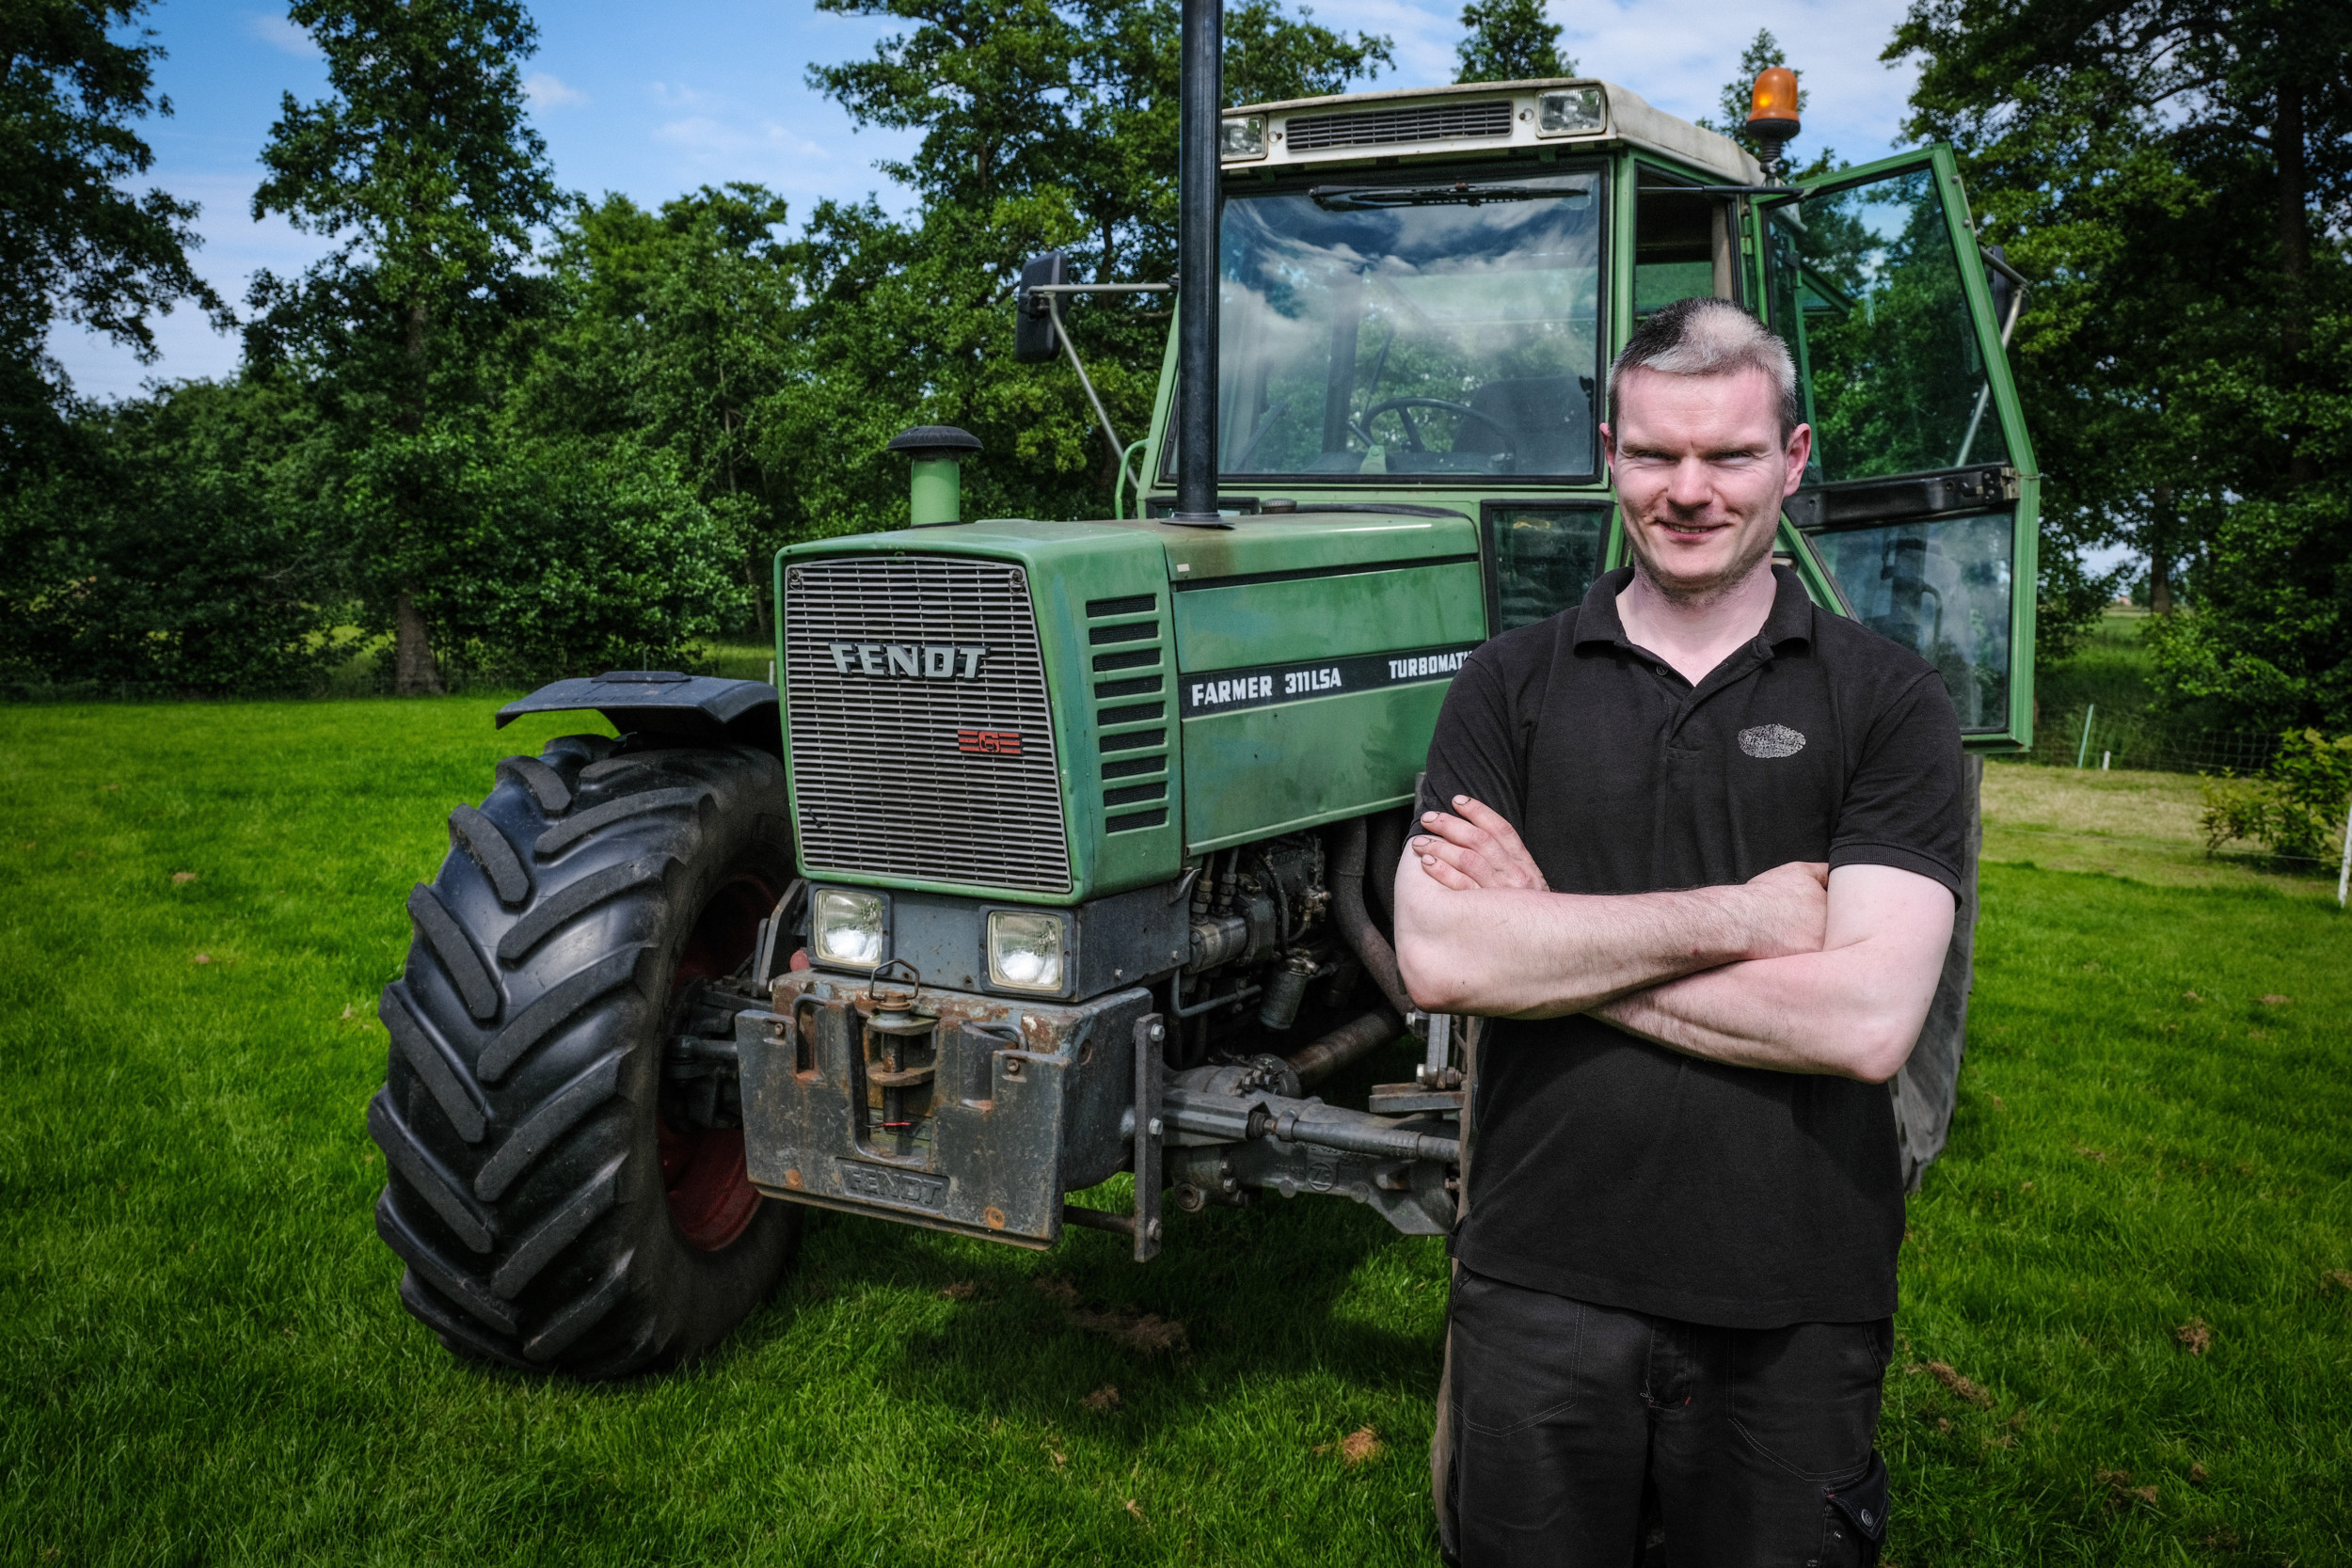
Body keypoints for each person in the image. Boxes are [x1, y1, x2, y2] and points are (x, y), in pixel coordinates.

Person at [1393, 295, 1966, 1567]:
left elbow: (1867, 1022)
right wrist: (1747, 917)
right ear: (1610, 454)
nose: (1690, 490)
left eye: (1730, 455)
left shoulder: (1887, 702)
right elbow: (1439, 958)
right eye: (1655, 456)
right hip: (1536, 1282)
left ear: (1795, 460)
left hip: (1792, 1298)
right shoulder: (1509, 684)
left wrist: (1543, 940)